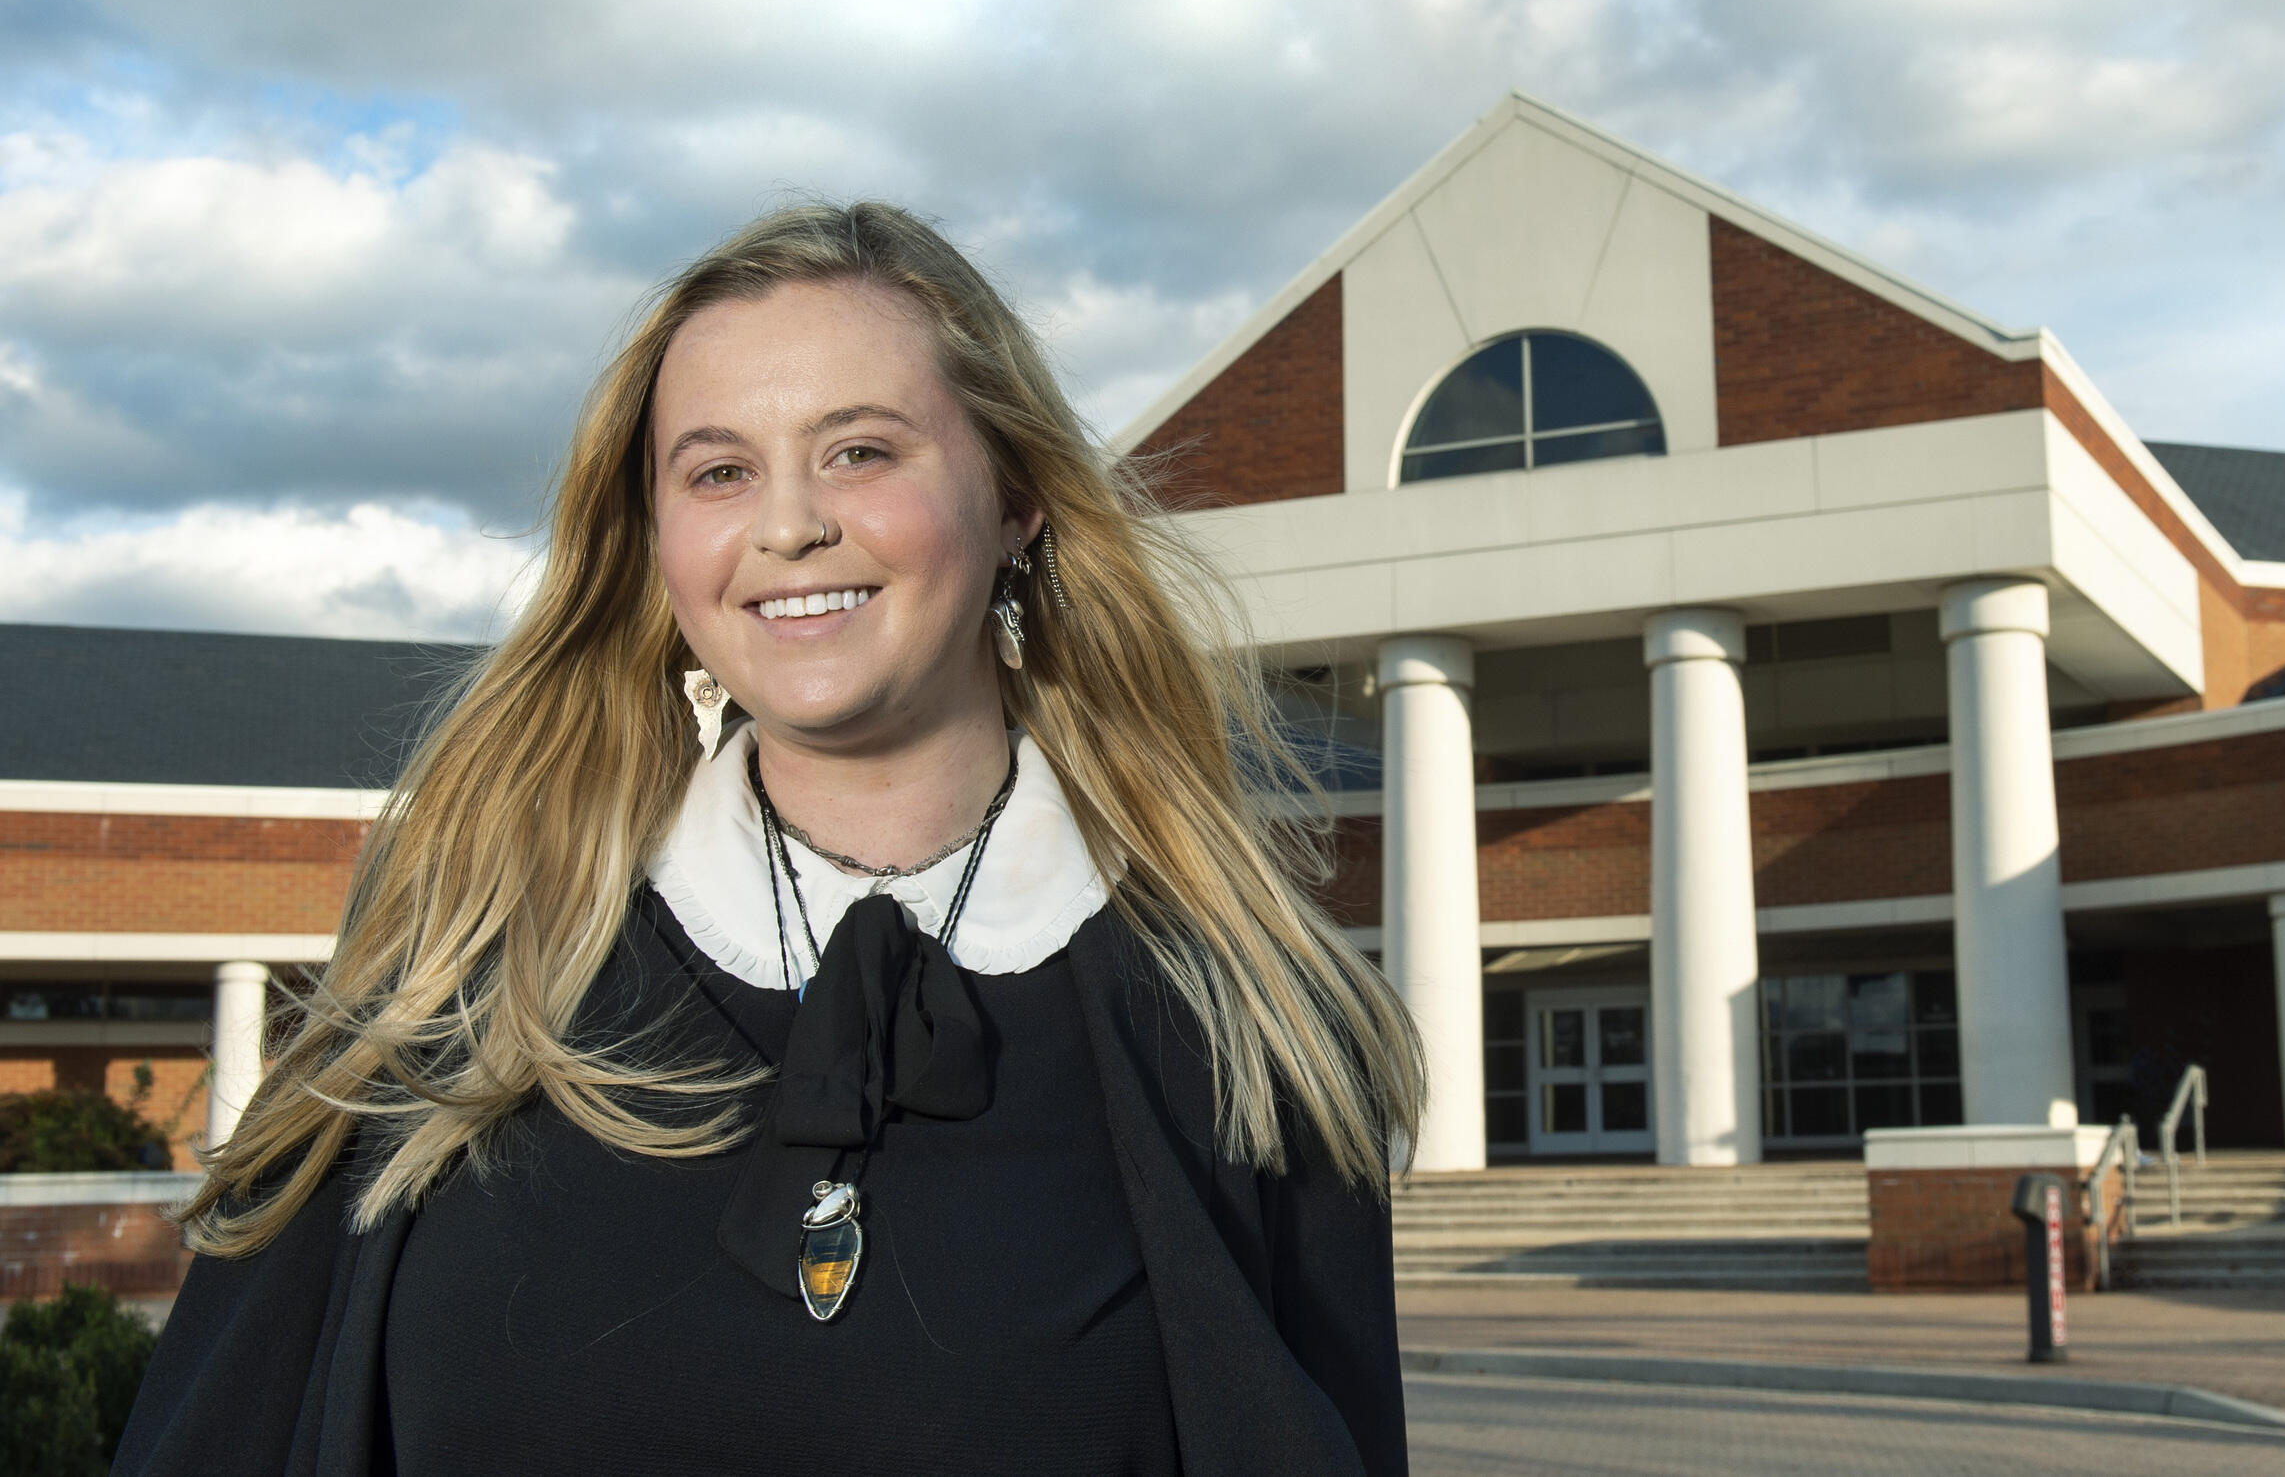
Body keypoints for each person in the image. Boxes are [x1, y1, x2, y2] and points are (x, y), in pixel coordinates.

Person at [114, 202, 1425, 1477]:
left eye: (861, 451)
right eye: (720, 471)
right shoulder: (454, 979)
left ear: (1018, 500)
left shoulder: (1249, 1030)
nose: (787, 525)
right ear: (659, 543)